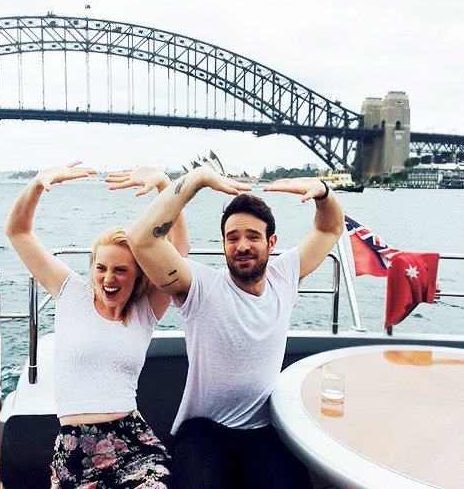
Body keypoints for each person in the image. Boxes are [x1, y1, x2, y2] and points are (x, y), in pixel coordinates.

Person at [125, 166, 344, 489]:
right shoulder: (200, 286)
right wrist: (196, 179)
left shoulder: (284, 277)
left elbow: (330, 229)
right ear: (224, 245)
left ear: (271, 243)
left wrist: (324, 193)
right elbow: (141, 239)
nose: (242, 246)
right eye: (232, 238)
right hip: (203, 431)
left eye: (253, 236)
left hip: (264, 429)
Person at [5, 161, 190, 489]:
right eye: (101, 267)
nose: (108, 278)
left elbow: (179, 250)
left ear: (138, 274)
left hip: (133, 441)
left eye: (120, 269)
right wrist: (37, 182)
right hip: (75, 447)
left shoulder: (146, 308)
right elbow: (18, 232)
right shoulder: (70, 292)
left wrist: (164, 184)